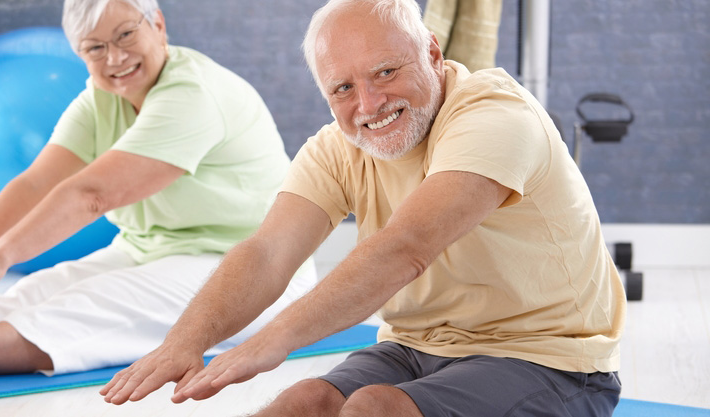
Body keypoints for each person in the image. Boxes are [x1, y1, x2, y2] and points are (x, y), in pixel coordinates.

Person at [100, 0, 626, 415]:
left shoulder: (494, 117)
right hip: (416, 347)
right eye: (344, 88)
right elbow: (267, 253)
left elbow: (406, 248)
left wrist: (274, 339)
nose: (368, 105)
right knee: (303, 402)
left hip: (549, 361)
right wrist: (184, 343)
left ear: (433, 54)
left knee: (375, 408)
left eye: (386, 72)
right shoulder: (336, 148)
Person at [0, 0, 317, 385]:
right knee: (38, 288)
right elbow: (36, 182)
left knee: (103, 300)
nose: (114, 58)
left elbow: (92, 195)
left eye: (125, 35)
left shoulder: (193, 94)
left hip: (259, 270)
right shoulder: (99, 100)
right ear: (80, 55)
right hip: (157, 251)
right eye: (95, 49)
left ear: (157, 24)